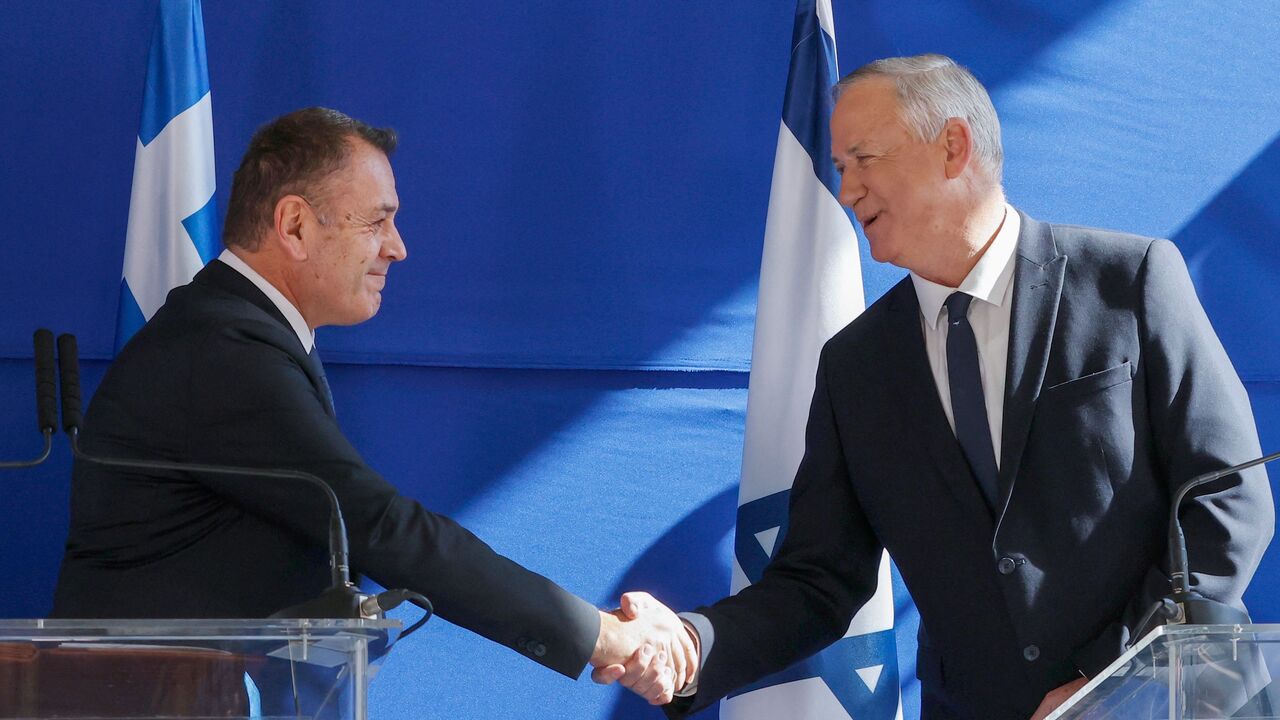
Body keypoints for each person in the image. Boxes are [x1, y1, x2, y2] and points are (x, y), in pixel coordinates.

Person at [601, 54, 1275, 719]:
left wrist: (1112, 683)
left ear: (953, 145)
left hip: (1169, 702)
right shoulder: (855, 366)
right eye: (839, 169)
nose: (847, 189)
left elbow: (1228, 498)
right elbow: (818, 582)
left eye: (863, 158)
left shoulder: (1130, 283)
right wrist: (692, 645)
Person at [51, 107, 694, 699]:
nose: (397, 246)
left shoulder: (235, 332)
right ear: (295, 225)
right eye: (377, 221)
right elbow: (379, 527)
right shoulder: (223, 347)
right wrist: (601, 635)